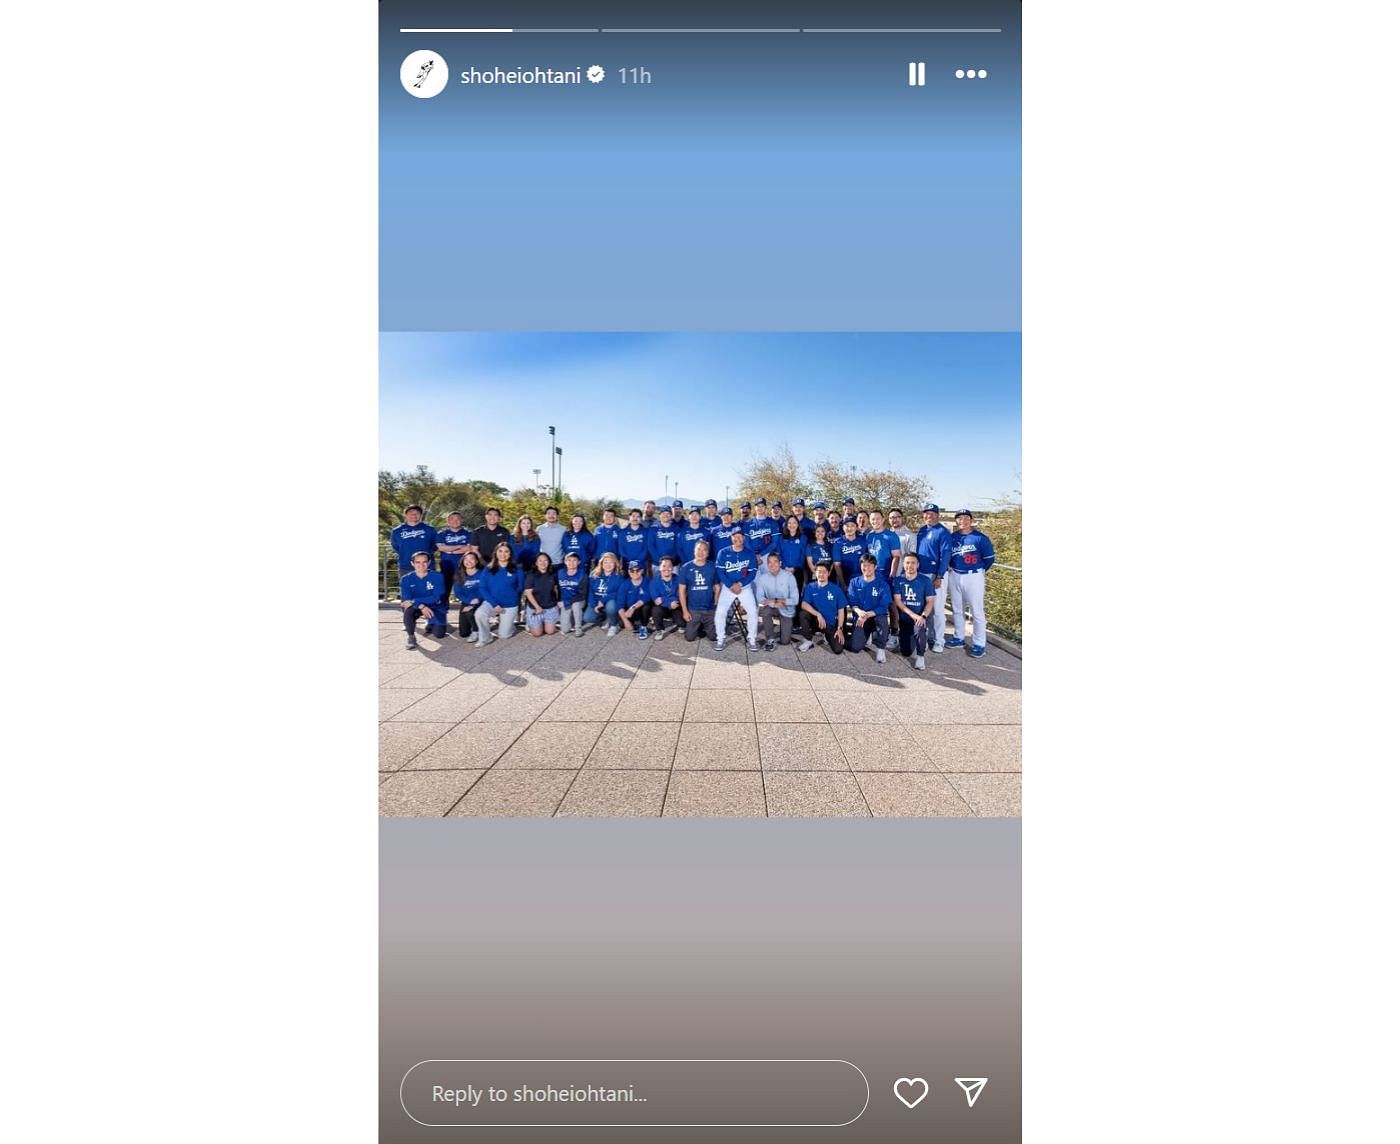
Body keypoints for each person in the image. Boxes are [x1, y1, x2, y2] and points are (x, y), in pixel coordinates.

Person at [946, 509, 996, 657]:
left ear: (971, 520)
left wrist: (979, 572)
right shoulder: (953, 537)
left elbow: (989, 559)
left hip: (973, 575)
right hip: (955, 574)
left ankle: (979, 644)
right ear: (956, 521)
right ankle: (959, 637)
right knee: (957, 608)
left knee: (977, 611)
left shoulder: (980, 538)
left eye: (966, 518)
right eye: (959, 518)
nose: (963, 521)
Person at [714, 525, 760, 652]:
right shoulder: (723, 552)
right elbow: (720, 572)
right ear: (731, 537)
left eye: (740, 536)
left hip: (744, 587)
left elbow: (752, 573)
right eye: (735, 536)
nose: (737, 539)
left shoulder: (749, 553)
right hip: (728, 587)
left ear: (744, 538)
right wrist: (730, 585)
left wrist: (739, 584)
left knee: (752, 611)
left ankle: (752, 639)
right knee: (720, 611)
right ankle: (720, 638)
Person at [916, 504, 954, 654]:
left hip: (935, 575)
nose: (929, 516)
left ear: (937, 515)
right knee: (924, 609)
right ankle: (926, 637)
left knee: (937, 609)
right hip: (921, 574)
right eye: (926, 513)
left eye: (932, 514)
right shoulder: (922, 530)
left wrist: (939, 575)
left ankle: (939, 640)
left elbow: (945, 556)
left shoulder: (942, 532)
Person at [473, 541, 523, 647]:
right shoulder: (488, 569)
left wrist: (510, 596)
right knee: (479, 613)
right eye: (500, 551)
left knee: (504, 636)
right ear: (495, 553)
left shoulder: (517, 568)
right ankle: (485, 637)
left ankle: (510, 626)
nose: (503, 554)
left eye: (506, 551)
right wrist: (494, 604)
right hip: (492, 602)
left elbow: (520, 587)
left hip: (509, 604)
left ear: (510, 554)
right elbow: (483, 588)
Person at [846, 553, 893, 663]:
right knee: (855, 648)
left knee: (882, 619)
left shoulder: (882, 584)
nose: (866, 568)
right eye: (864, 565)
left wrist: (868, 614)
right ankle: (867, 635)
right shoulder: (854, 582)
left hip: (875, 615)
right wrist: (859, 612)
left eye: (870, 565)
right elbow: (852, 602)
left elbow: (884, 606)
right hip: (860, 617)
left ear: (875, 567)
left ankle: (880, 648)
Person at [892, 552, 934, 670]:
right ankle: (915, 640)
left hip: (919, 618)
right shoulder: (898, 580)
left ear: (918, 565)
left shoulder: (925, 581)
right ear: (903, 564)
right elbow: (898, 602)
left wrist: (923, 615)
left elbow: (930, 601)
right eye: (907, 563)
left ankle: (920, 656)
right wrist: (912, 615)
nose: (910, 566)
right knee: (906, 652)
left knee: (920, 626)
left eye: (913, 563)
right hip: (906, 619)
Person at [399, 550, 446, 649]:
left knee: (439, 634)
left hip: (435, 606)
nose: (421, 564)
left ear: (429, 563)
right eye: (418, 562)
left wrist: (415, 601)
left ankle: (431, 623)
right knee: (408, 612)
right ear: (412, 563)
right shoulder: (406, 579)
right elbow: (407, 598)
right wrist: (421, 605)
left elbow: (436, 597)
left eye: (424, 562)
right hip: (417, 607)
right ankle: (411, 637)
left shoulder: (438, 576)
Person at [798, 562, 847, 654]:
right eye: (819, 571)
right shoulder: (810, 587)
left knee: (838, 649)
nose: (821, 574)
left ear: (828, 573)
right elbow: (803, 604)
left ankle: (827, 636)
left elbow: (841, 611)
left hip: (829, 624)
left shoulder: (836, 589)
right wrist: (818, 614)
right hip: (815, 621)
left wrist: (840, 629)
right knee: (803, 614)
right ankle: (808, 640)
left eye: (824, 572)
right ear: (815, 573)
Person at [754, 550, 799, 651]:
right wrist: (774, 602)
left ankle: (784, 632)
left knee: (785, 642)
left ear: (780, 563)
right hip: (771, 606)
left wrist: (783, 602)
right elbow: (760, 598)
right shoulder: (763, 578)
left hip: (786, 608)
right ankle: (770, 638)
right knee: (765, 611)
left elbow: (795, 600)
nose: (772, 565)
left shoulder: (789, 576)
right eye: (769, 562)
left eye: (775, 562)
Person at [678, 540, 718, 644]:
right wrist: (685, 611)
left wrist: (716, 604)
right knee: (690, 638)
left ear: (708, 553)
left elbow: (717, 587)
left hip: (709, 609)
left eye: (704, 550)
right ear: (694, 551)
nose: (701, 552)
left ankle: (705, 626)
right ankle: (698, 626)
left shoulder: (712, 567)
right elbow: (681, 590)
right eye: (698, 549)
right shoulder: (686, 567)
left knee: (714, 637)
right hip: (693, 609)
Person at [434, 510, 472, 609]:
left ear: (462, 520)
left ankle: (466, 615)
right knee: (444, 591)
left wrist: (450, 549)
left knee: (464, 590)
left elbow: (468, 548)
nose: (455, 521)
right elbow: (441, 548)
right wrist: (460, 547)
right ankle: (442, 615)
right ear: (448, 521)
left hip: (463, 566)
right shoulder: (442, 533)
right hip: (447, 566)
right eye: (452, 519)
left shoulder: (468, 533)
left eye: (458, 519)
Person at [390, 505, 437, 576]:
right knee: (407, 586)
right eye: (411, 513)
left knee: (429, 587)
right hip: (406, 566)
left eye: (417, 513)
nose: (414, 515)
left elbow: (435, 545)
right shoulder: (397, 531)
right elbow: (395, 547)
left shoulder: (430, 529)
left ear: (420, 515)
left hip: (426, 566)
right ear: (405, 515)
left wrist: (425, 555)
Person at [523, 551, 561, 636]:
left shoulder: (553, 574)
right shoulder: (531, 575)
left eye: (545, 560)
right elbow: (528, 593)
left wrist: (558, 601)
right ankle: (532, 623)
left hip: (550, 607)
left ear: (549, 562)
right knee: (537, 634)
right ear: (536, 563)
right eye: (540, 560)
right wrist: (537, 607)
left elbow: (556, 589)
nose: (543, 563)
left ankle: (544, 622)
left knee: (550, 632)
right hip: (536, 609)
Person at [586, 551, 624, 636]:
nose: (608, 564)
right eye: (606, 562)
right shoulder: (594, 574)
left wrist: (603, 601)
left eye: (611, 562)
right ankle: (606, 618)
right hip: (597, 601)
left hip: (610, 601)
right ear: (601, 563)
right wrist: (594, 605)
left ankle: (614, 625)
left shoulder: (618, 576)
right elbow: (590, 591)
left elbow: (618, 593)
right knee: (587, 618)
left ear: (615, 564)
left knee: (611, 607)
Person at [647, 556, 684, 641]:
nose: (666, 568)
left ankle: (678, 623)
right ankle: (659, 630)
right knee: (655, 610)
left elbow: (680, 595)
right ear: (659, 568)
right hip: (663, 607)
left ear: (673, 568)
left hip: (676, 606)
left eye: (669, 566)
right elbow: (656, 600)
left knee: (682, 624)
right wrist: (669, 603)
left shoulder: (678, 579)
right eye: (664, 566)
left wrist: (663, 599)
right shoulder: (654, 581)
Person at [453, 550, 485, 640]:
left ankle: (476, 631)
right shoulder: (459, 575)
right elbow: (458, 593)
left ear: (477, 561)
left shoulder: (482, 573)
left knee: (470, 613)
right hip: (467, 601)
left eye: (472, 559)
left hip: (481, 601)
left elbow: (484, 590)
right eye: (466, 559)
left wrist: (474, 603)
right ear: (462, 561)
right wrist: (469, 602)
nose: (468, 561)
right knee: (464, 633)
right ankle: (477, 624)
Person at [556, 551, 588, 637]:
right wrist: (558, 600)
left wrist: (566, 602)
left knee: (576, 606)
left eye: (574, 560)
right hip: (565, 600)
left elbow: (582, 594)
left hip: (578, 599)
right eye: (569, 560)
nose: (571, 563)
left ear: (579, 562)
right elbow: (556, 588)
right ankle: (570, 621)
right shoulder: (560, 573)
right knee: (565, 629)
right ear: (565, 562)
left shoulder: (582, 575)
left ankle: (578, 628)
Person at [618, 562, 652, 638]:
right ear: (628, 572)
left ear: (642, 571)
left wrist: (633, 608)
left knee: (646, 607)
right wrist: (625, 621)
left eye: (638, 570)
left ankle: (644, 626)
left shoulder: (648, 581)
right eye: (632, 570)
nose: (635, 573)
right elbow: (620, 604)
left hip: (641, 608)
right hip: (631, 610)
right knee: (622, 623)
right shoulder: (625, 584)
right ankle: (635, 625)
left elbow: (647, 597)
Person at [777, 515, 809, 594]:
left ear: (798, 524)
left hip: (797, 570)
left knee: (797, 594)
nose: (792, 525)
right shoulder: (781, 538)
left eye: (794, 523)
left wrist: (794, 568)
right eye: (789, 523)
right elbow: (779, 554)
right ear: (786, 525)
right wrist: (785, 567)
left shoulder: (803, 538)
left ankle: (797, 606)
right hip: (783, 570)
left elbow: (803, 555)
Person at [833, 516, 866, 589]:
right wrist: (843, 585)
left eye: (852, 526)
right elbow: (837, 565)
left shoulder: (862, 541)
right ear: (843, 527)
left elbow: (867, 562)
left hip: (861, 579)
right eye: (847, 526)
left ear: (856, 527)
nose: (849, 528)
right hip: (844, 580)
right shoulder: (838, 542)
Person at [647, 505, 680, 574]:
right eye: (663, 513)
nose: (666, 515)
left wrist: (670, 560)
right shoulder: (653, 529)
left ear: (671, 515)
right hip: (657, 563)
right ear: (659, 515)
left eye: (668, 513)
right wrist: (660, 560)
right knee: (657, 583)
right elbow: (651, 546)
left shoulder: (676, 529)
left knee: (673, 583)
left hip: (673, 563)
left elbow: (678, 546)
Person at [618, 510, 650, 576]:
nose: (635, 518)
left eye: (638, 516)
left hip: (642, 563)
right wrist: (630, 560)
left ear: (641, 518)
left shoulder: (646, 532)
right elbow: (621, 548)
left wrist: (638, 560)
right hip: (627, 563)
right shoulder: (622, 532)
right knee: (628, 583)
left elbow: (646, 548)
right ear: (629, 517)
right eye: (633, 516)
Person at [536, 505, 566, 570]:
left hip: (558, 563)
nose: (551, 516)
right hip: (543, 565)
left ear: (557, 516)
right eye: (549, 513)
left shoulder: (563, 529)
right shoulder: (539, 529)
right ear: (545, 516)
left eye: (554, 513)